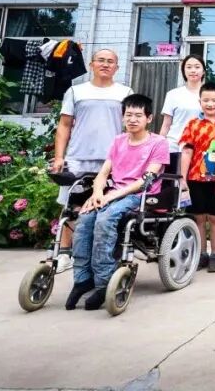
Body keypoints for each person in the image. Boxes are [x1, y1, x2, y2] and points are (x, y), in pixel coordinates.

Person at [66, 94, 169, 310]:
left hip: (140, 195)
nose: (132, 119)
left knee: (105, 219)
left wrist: (112, 196)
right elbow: (103, 173)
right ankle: (82, 278)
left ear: (149, 118)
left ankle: (103, 281)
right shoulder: (118, 141)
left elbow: (146, 180)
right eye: (128, 115)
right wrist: (96, 193)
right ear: (122, 117)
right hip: (112, 192)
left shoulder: (159, 143)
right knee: (85, 218)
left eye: (138, 115)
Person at [51, 48, 132, 272]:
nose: (105, 64)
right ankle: (65, 253)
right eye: (101, 60)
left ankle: (106, 253)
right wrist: (59, 157)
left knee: (109, 206)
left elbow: (131, 126)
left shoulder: (125, 92)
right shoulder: (76, 91)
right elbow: (64, 125)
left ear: (117, 67)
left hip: (111, 160)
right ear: (91, 64)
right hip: (78, 156)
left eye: (110, 61)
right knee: (70, 205)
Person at [178, 82, 215, 273]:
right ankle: (201, 254)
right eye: (206, 100)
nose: (210, 104)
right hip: (195, 178)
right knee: (198, 217)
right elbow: (187, 152)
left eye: (214, 100)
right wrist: (182, 178)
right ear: (200, 102)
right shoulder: (193, 124)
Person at [159, 55, 206, 175]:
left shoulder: (209, 95)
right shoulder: (173, 94)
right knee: (171, 183)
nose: (193, 70)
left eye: (197, 67)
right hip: (174, 148)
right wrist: (158, 148)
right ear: (184, 71)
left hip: (201, 150)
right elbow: (166, 125)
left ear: (203, 71)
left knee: (194, 185)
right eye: (189, 67)